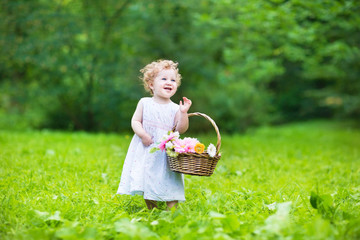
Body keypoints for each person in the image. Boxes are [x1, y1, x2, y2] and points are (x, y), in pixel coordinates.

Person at [117, 59, 192, 210]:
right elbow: (135, 121)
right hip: (148, 148)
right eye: (163, 79)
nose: (169, 82)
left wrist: (184, 113)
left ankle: (172, 210)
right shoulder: (145, 102)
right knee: (148, 177)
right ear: (151, 84)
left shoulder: (175, 108)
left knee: (171, 179)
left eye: (173, 80)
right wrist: (143, 134)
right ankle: (153, 209)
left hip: (167, 153)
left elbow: (181, 129)